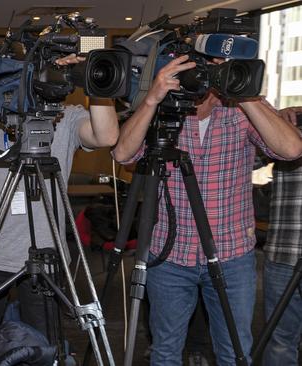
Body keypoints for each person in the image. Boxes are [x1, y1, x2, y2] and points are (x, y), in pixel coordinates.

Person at [111, 55, 302, 365]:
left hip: (232, 256)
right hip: (170, 254)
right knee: (165, 352)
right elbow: (122, 154)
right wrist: (152, 98)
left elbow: (291, 149)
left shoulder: (239, 112)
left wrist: (243, 93)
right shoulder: (164, 112)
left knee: (234, 352)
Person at [0, 55, 119, 363]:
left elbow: (107, 136)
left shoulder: (68, 117)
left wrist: (96, 77)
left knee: (44, 346)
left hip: (46, 250)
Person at [261, 106, 302, 365]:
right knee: (279, 341)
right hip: (283, 253)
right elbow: (248, 158)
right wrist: (273, 117)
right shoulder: (287, 123)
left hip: (281, 253)